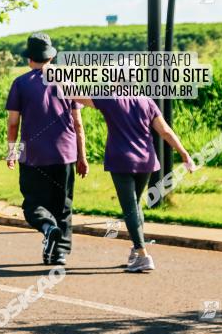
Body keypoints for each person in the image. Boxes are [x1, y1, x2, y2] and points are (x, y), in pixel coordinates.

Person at [74, 96, 195, 272]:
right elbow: (165, 131)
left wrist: (54, 78)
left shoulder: (110, 99)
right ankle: (136, 251)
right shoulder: (146, 101)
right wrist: (185, 155)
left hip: (121, 162)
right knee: (136, 205)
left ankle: (143, 255)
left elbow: (76, 96)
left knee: (130, 207)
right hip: (146, 161)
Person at [5, 32, 88, 265]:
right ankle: (60, 253)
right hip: (66, 155)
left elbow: (13, 124)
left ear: (30, 59)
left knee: (33, 204)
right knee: (63, 206)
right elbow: (78, 124)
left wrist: (12, 153)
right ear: (50, 58)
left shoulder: (20, 84)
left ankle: (47, 227)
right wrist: (82, 157)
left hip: (34, 157)